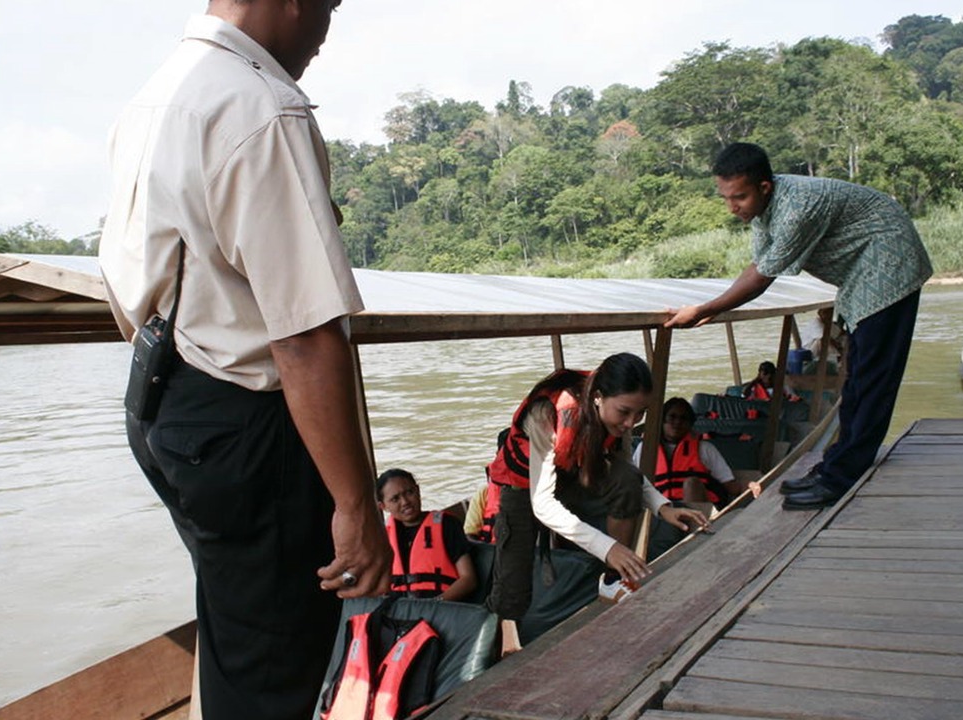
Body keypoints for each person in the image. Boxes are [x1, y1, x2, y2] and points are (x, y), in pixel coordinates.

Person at [97, 2, 391, 718]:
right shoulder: (258, 106)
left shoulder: (154, 98)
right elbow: (304, 334)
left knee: (238, 627)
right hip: (245, 422)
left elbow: (124, 285)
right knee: (281, 668)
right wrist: (357, 506)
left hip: (164, 406)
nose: (323, 32)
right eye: (325, 7)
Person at [666, 142, 932, 511]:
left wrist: (704, 310)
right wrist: (710, 309)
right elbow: (755, 267)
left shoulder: (796, 208)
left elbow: (762, 279)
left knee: (873, 378)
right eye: (725, 198)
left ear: (764, 187)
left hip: (890, 264)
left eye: (739, 197)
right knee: (855, 377)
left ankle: (841, 478)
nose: (732, 207)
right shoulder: (764, 212)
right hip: (861, 273)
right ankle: (834, 466)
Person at [485, 353, 710, 654]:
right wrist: (609, 547)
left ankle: (612, 579)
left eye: (640, 413)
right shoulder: (546, 415)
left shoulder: (616, 422)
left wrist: (663, 507)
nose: (631, 423)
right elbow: (543, 504)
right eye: (624, 412)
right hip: (525, 490)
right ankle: (493, 654)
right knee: (512, 592)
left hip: (572, 477)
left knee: (626, 480)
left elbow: (628, 473)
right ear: (599, 398)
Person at [376, 468, 478, 602]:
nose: (405, 502)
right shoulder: (382, 537)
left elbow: (468, 579)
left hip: (442, 610)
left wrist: (434, 604)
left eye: (409, 492)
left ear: (418, 490)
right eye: (395, 499)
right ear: (383, 506)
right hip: (399, 613)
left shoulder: (447, 524)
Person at [632, 397, 739, 506]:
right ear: (662, 419)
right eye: (672, 417)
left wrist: (751, 486)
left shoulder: (705, 448)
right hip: (660, 510)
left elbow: (730, 485)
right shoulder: (645, 448)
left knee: (691, 483)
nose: (677, 422)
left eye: (683, 418)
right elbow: (633, 482)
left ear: (690, 424)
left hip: (700, 511)